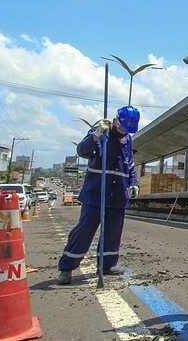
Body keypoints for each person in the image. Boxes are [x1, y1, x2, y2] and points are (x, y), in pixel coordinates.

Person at [57, 106, 141, 285]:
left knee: (112, 234)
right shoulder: (100, 133)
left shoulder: (127, 140)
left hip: (118, 195)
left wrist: (133, 183)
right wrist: (96, 135)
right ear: (115, 121)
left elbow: (130, 165)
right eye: (122, 128)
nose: (124, 132)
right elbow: (82, 151)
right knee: (84, 231)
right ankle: (66, 267)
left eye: (128, 130)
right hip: (96, 194)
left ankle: (107, 265)